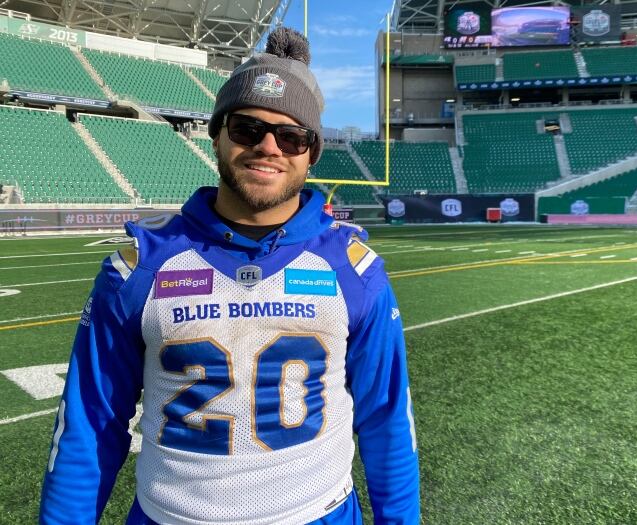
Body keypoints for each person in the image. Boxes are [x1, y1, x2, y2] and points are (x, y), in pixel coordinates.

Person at [39, 27, 419, 525]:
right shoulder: (140, 267)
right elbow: (89, 423)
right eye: (246, 128)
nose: (268, 147)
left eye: (292, 136)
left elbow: (387, 422)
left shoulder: (353, 269)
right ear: (217, 133)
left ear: (311, 152)